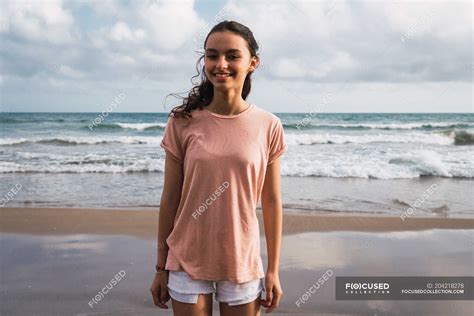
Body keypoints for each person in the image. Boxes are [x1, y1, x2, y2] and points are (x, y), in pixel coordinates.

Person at [150, 20, 288, 316]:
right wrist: (160, 267)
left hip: (241, 260)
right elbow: (170, 199)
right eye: (212, 55)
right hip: (186, 257)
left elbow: (272, 201)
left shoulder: (268, 125)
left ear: (253, 63)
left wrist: (274, 269)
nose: (220, 64)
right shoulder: (182, 121)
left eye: (232, 56)